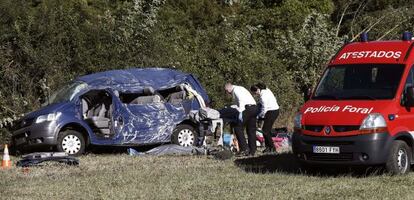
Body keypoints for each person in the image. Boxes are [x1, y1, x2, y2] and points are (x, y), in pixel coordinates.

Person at [224, 83, 258, 156]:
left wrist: (240, 113)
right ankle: (252, 150)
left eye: (227, 91)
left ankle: (244, 149)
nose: (228, 93)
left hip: (247, 108)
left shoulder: (235, 90)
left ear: (228, 89)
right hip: (254, 108)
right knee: (251, 130)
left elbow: (241, 101)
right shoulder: (240, 88)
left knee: (237, 127)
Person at [250, 83, 280, 153]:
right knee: (266, 130)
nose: (255, 94)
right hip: (273, 110)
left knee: (265, 130)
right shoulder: (266, 90)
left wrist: (259, 116)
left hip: (272, 111)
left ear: (257, 90)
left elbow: (264, 109)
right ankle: (268, 148)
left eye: (254, 93)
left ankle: (272, 148)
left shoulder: (263, 96)